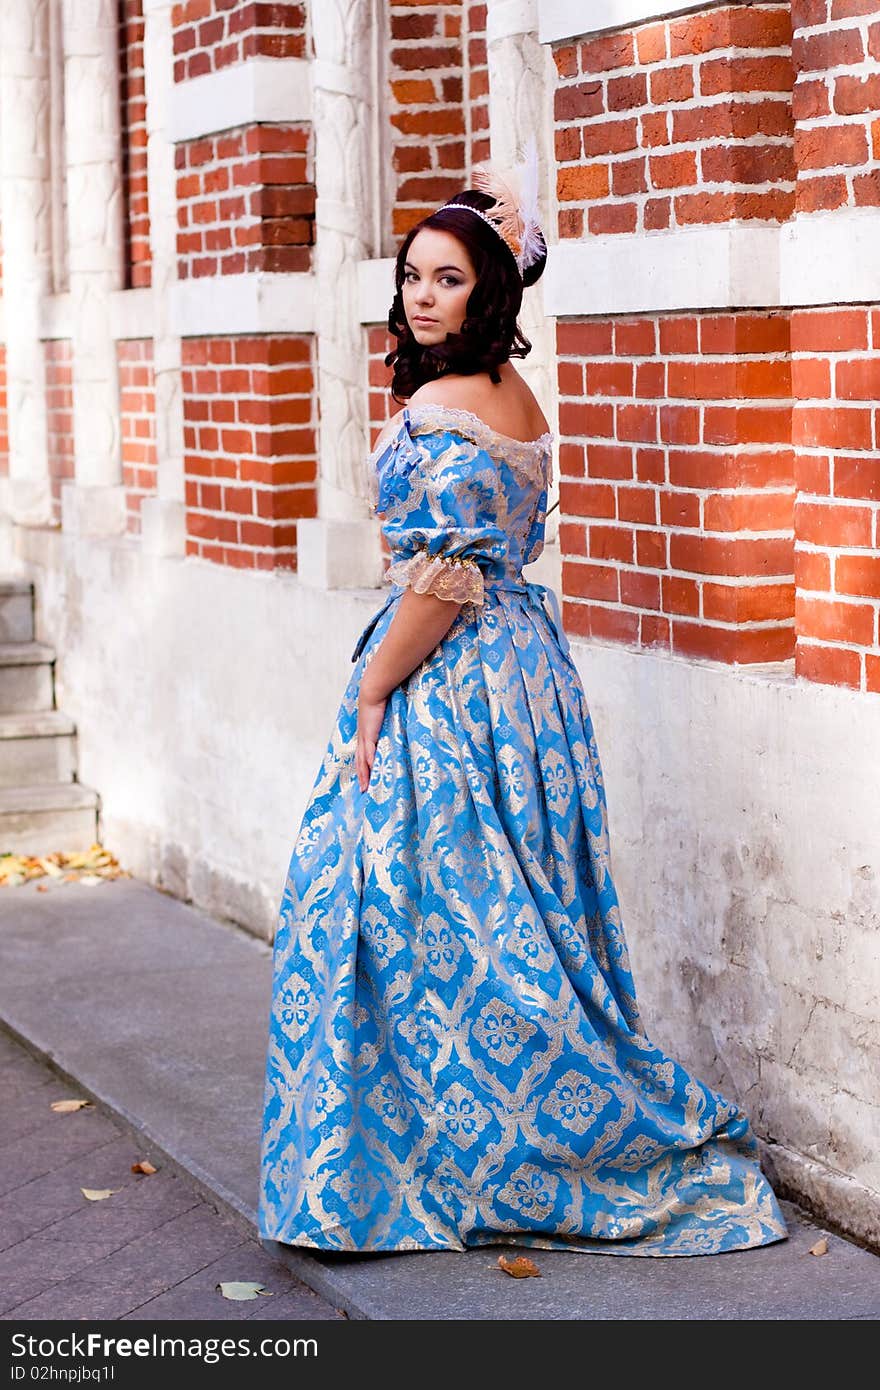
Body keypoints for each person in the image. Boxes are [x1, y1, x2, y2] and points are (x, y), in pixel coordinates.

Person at [257, 157, 788, 1258]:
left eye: (446, 279)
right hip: (524, 675)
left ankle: (418, 1164)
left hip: (448, 681)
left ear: (489, 292)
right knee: (506, 919)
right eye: (411, 275)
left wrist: (366, 690)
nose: (420, 295)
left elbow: (443, 577)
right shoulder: (513, 394)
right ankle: (486, 1140)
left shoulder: (445, 404)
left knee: (384, 910)